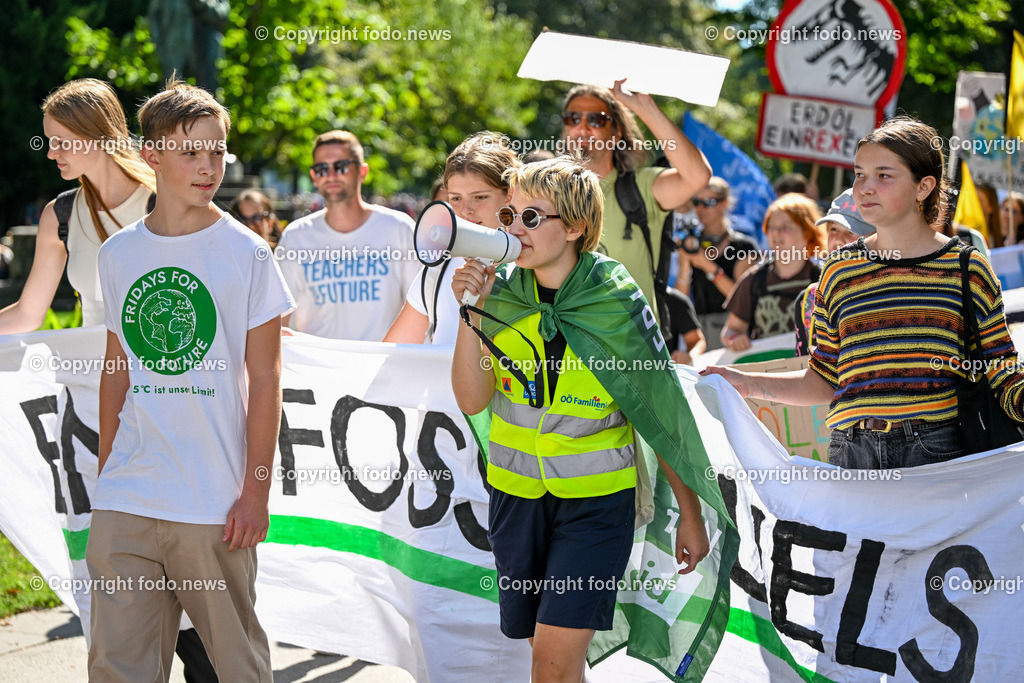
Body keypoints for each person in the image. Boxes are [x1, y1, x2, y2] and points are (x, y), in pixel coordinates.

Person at [450, 156, 709, 680]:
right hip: (515, 500)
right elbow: (472, 400)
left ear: (573, 228)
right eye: (508, 217)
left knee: (551, 662)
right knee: (548, 657)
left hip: (596, 507)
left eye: (530, 218)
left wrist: (690, 511)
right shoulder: (499, 296)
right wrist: (471, 311)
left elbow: (660, 412)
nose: (513, 230)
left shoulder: (613, 300)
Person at [88, 77, 293, 681]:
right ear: (151, 155)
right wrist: (108, 473)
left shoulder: (248, 253)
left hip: (214, 502)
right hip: (127, 496)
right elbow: (115, 368)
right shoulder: (119, 254)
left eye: (217, 151)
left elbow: (267, 378)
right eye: (191, 151)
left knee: (237, 667)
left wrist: (256, 490)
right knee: (116, 666)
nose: (209, 166)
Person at [703, 116, 1024, 469]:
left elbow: (1001, 369)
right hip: (850, 453)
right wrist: (742, 383)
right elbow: (824, 378)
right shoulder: (838, 270)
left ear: (924, 187)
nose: (865, 188)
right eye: (859, 174)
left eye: (884, 175)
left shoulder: (967, 267)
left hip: (938, 455)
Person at [0, 78, 156, 334]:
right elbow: (28, 314)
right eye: (50, 141)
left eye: (60, 141)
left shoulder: (160, 205)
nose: (51, 153)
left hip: (157, 371)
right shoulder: (60, 215)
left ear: (97, 136)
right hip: (91, 370)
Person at [560, 81, 712, 324]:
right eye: (573, 118)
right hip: (568, 349)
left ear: (616, 132)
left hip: (636, 350)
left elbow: (698, 176)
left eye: (596, 120)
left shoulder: (641, 187)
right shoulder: (549, 196)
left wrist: (645, 106)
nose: (583, 128)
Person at [277, 130, 419, 340]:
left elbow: (422, 308)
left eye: (341, 166)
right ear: (314, 177)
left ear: (362, 171)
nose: (332, 175)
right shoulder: (296, 236)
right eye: (322, 169)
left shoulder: (399, 228)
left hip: (385, 369)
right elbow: (278, 313)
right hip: (317, 370)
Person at [383, 131, 518, 345]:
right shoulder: (437, 270)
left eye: (480, 197)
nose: (466, 210)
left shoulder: (532, 267)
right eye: (455, 198)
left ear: (509, 195)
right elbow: (392, 358)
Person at [720, 193, 825, 351]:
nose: (776, 232)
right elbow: (731, 330)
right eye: (772, 227)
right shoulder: (754, 279)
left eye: (785, 227)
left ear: (806, 233)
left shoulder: (824, 279)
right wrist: (734, 338)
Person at [674, 178, 759, 348]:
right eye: (696, 202)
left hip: (733, 330)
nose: (701, 208)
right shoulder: (692, 243)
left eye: (709, 202)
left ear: (724, 204)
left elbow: (743, 299)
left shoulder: (743, 246)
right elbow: (680, 299)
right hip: (701, 332)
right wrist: (685, 264)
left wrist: (708, 266)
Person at [794, 188, 875, 356]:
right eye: (833, 230)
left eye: (852, 231)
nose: (838, 239)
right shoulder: (808, 300)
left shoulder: (890, 294)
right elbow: (802, 366)